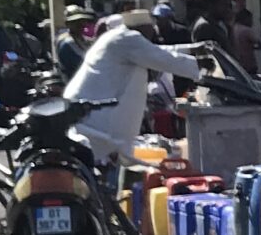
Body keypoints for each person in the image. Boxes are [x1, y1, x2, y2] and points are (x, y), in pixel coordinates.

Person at [65, 9, 208, 163]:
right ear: (145, 29)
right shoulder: (129, 39)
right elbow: (163, 58)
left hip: (87, 113)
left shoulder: (117, 37)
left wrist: (191, 49)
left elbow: (156, 50)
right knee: (105, 160)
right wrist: (202, 67)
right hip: (97, 120)